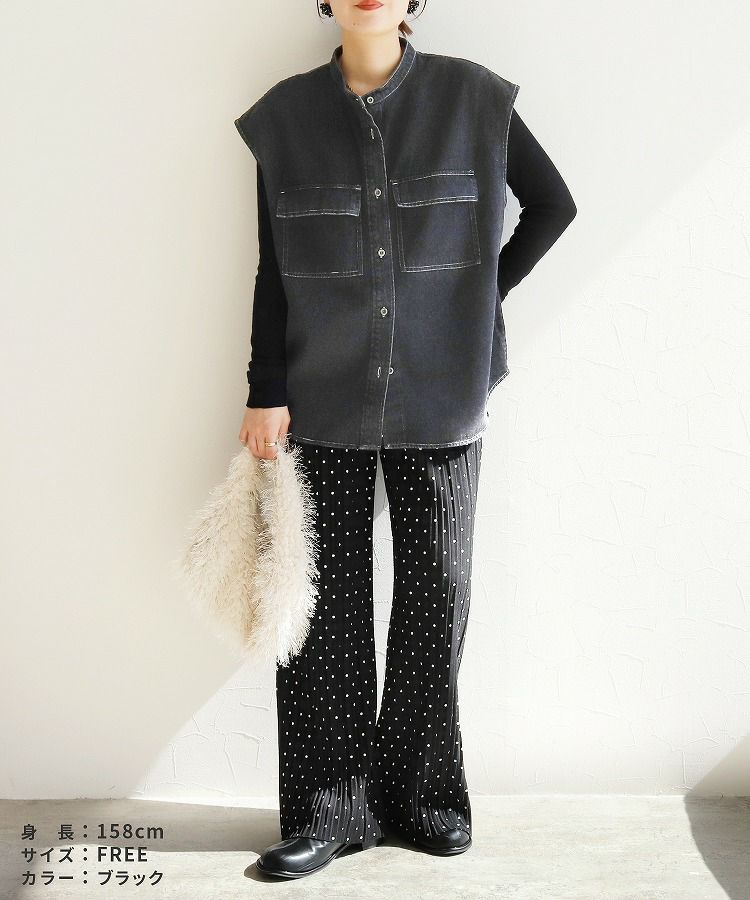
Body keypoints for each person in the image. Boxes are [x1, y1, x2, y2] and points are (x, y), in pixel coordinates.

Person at [234, 0, 576, 880]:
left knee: (438, 592)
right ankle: (329, 812)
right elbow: (274, 267)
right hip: (321, 398)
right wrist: (265, 389)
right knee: (326, 607)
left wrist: (477, 298)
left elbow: (553, 206)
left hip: (442, 393)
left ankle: (424, 800)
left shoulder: (476, 100)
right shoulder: (284, 118)